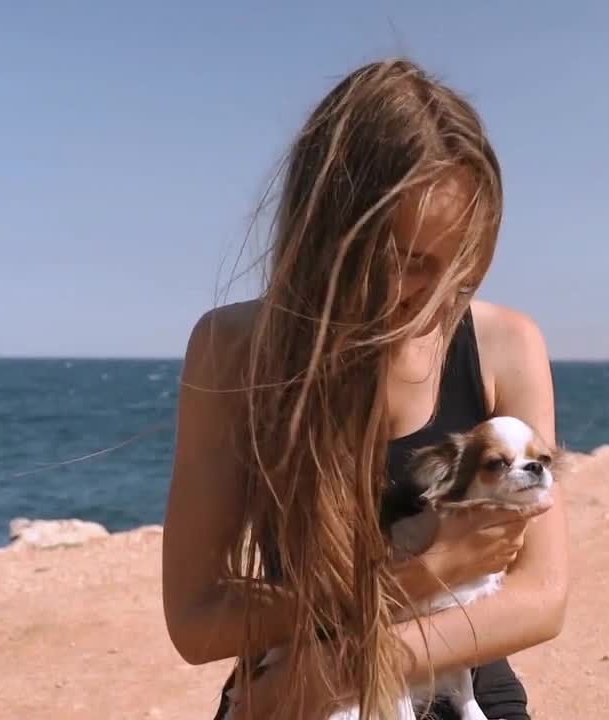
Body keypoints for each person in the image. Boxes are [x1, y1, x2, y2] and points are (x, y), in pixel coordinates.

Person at [160, 58, 570, 720]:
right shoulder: (233, 349)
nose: (438, 292)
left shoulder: (505, 344)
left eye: (460, 261)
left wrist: (344, 670)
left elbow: (542, 596)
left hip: (447, 685)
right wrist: (422, 573)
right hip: (293, 689)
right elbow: (195, 620)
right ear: (329, 237)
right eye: (410, 261)